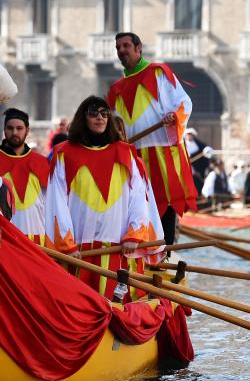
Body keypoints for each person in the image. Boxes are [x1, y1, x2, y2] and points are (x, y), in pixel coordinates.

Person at [45, 96, 164, 302]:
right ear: (84, 118)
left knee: (119, 303)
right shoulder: (64, 153)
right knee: (78, 304)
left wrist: (134, 235)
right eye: (93, 113)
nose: (99, 118)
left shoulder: (126, 153)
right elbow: (56, 202)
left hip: (118, 248)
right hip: (79, 252)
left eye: (104, 113)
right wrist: (67, 246)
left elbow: (138, 198)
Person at [107, 32, 197, 245]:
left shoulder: (158, 72)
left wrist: (175, 116)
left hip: (162, 150)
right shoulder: (116, 88)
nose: (121, 51)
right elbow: (115, 124)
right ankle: (142, 252)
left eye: (126, 46)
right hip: (132, 153)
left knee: (164, 201)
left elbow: (183, 102)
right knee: (135, 204)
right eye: (118, 47)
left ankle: (164, 252)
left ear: (139, 48)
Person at [0, 108, 49, 245]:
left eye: (19, 128)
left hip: (37, 237)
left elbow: (49, 203)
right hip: (5, 237)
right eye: (10, 128)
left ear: (27, 131)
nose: (14, 132)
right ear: (4, 130)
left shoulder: (41, 162)